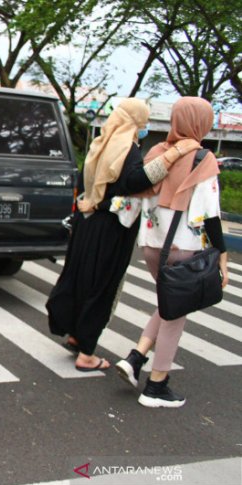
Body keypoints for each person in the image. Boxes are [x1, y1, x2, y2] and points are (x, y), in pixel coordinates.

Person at [46, 98, 201, 372]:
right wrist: (172, 155)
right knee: (101, 287)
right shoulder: (126, 149)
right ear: (135, 122)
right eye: (144, 122)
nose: (145, 127)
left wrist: (95, 203)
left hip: (86, 224)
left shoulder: (99, 145)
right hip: (111, 228)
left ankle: (76, 334)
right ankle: (87, 354)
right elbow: (135, 182)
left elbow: (86, 185)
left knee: (81, 279)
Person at [115, 97, 230, 408]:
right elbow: (211, 214)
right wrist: (222, 256)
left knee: (169, 302)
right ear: (200, 123)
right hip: (183, 248)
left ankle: (136, 357)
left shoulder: (156, 152)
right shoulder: (202, 159)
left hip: (152, 245)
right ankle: (157, 385)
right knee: (176, 314)